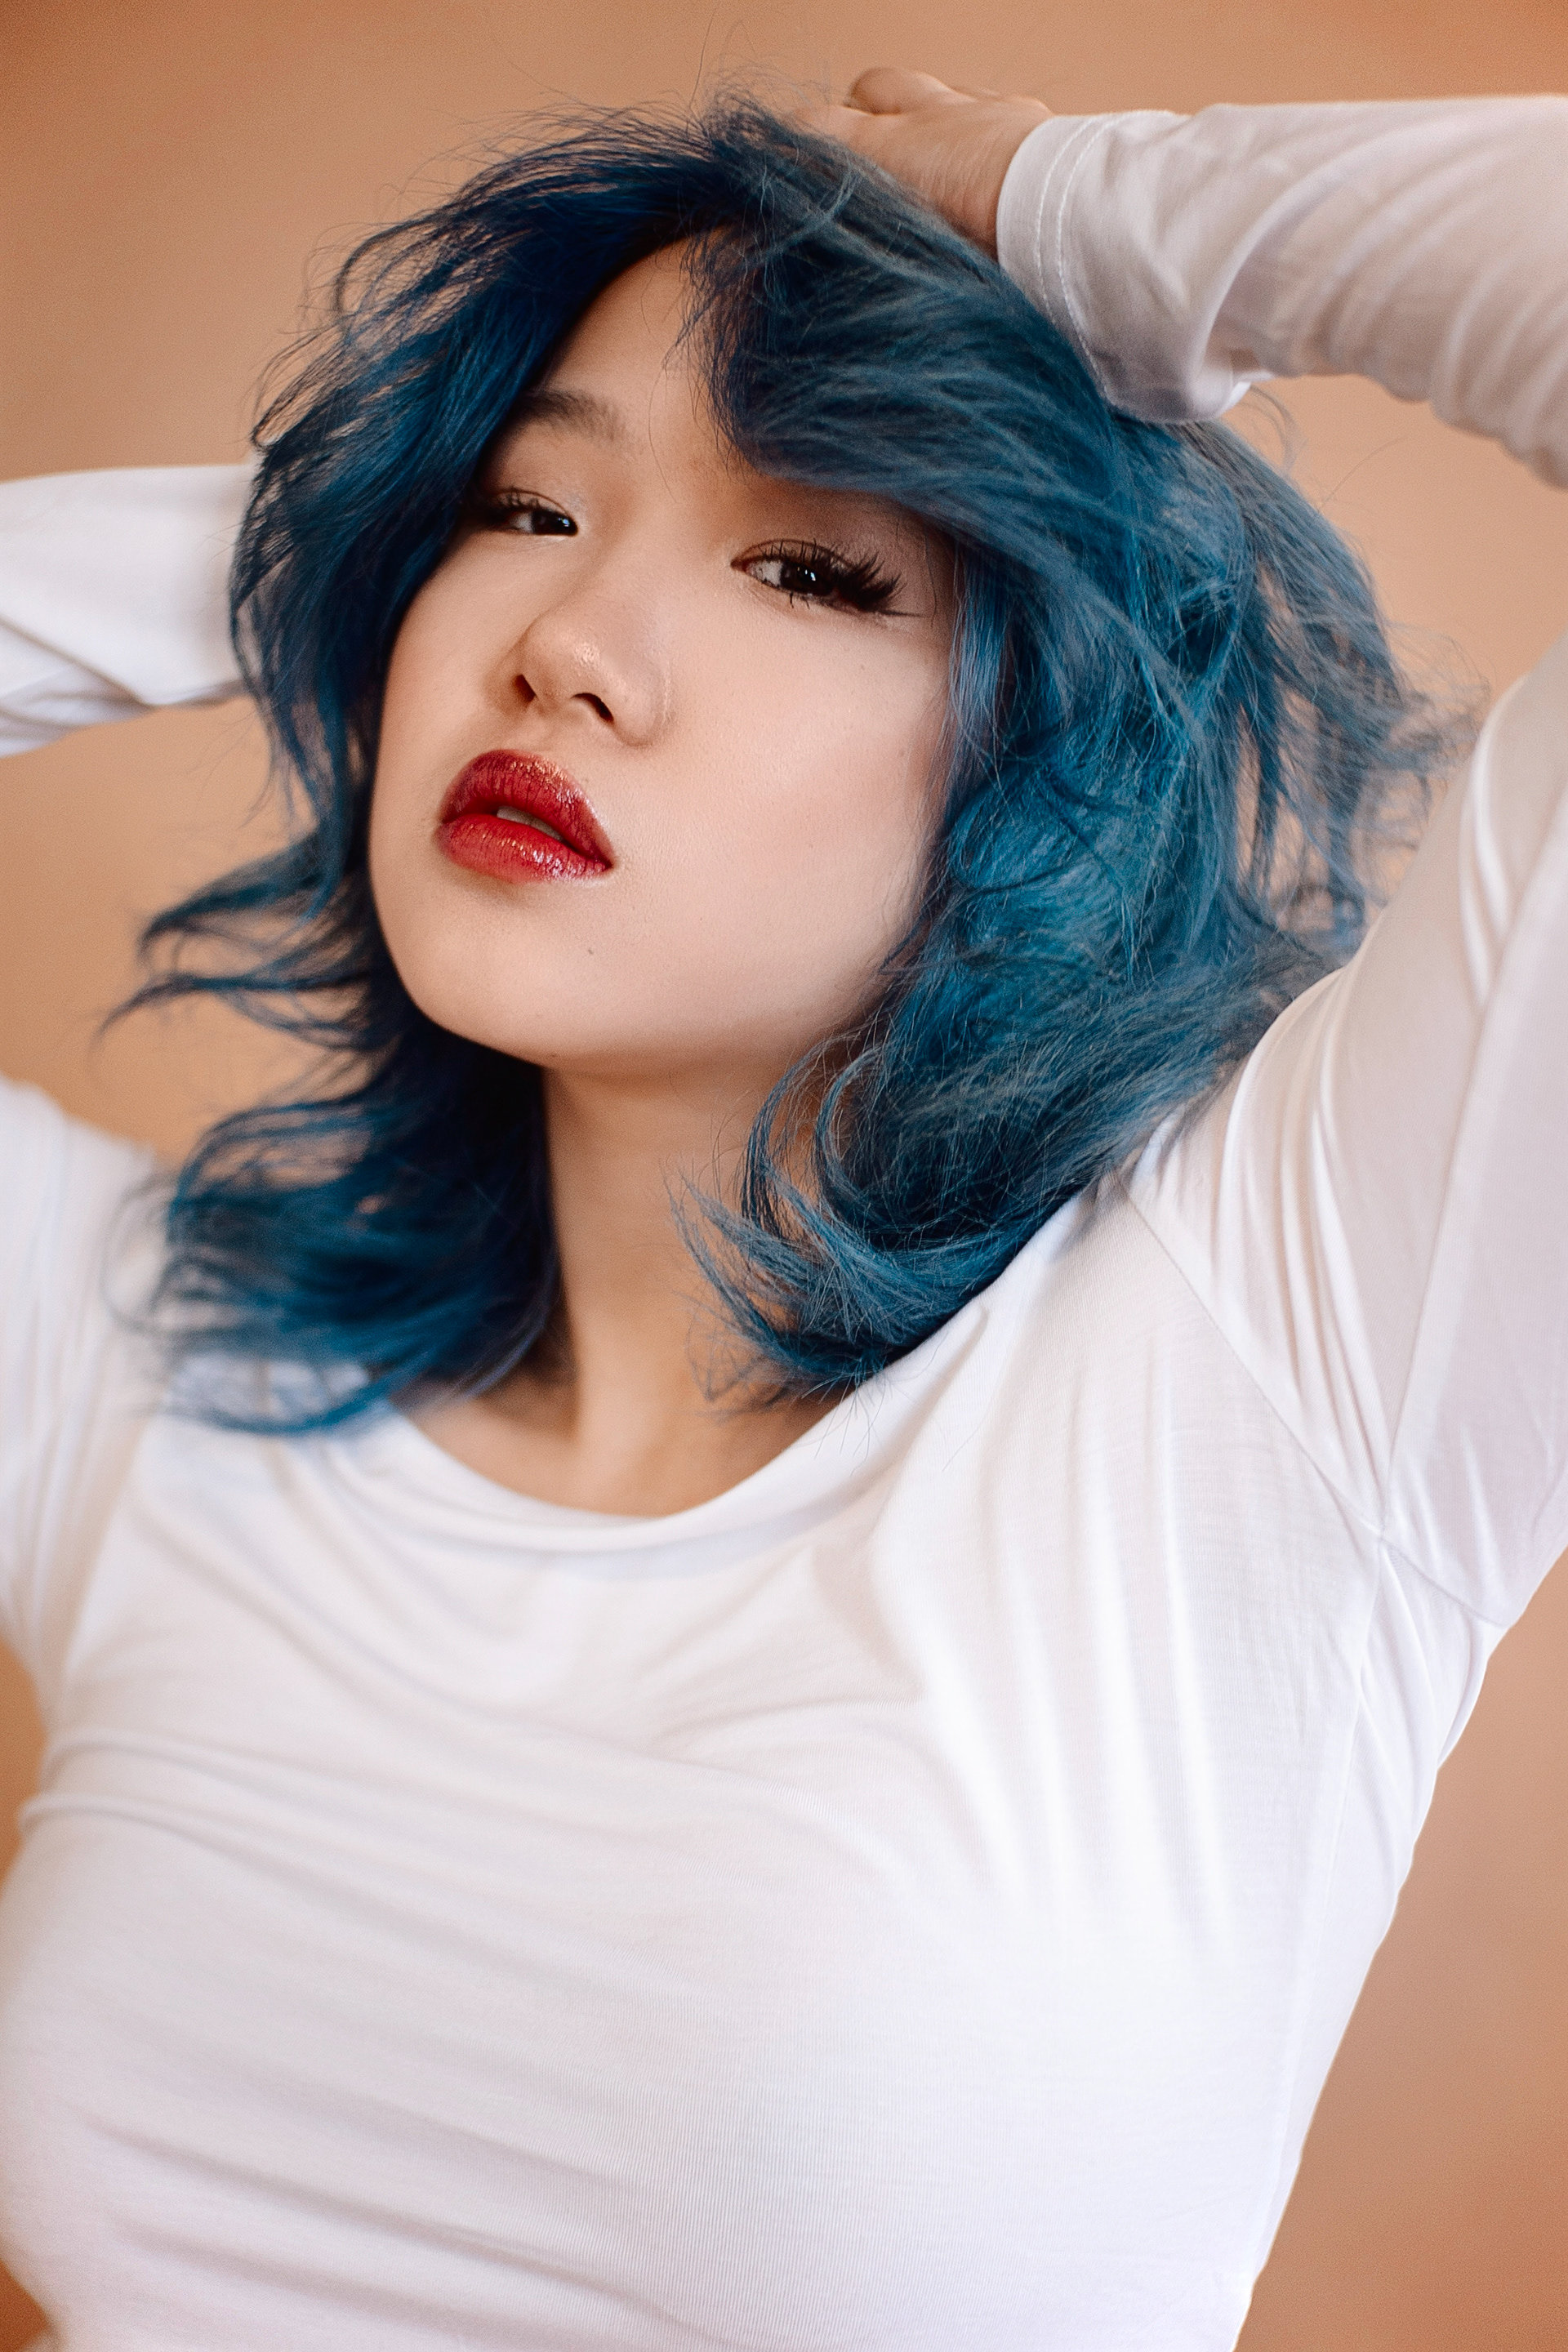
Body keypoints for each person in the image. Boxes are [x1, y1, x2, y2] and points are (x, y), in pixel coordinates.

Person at [0, 63, 1562, 2351]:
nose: (566, 643)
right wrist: (339, 547)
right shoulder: (166, 1383)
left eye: (812, 565)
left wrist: (1098, 211)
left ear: (1054, 751)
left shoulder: (1281, 1375)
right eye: (524, 511)